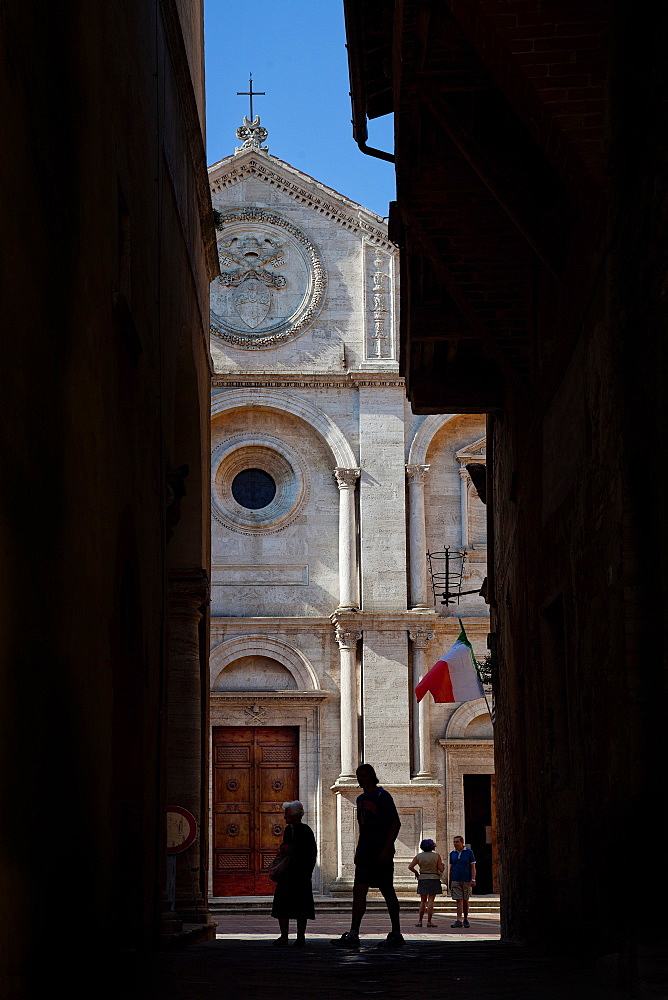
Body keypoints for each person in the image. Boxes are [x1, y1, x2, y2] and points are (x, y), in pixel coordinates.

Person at [331, 763, 404, 949]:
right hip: (365, 853)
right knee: (359, 891)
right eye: (358, 776)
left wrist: (387, 848)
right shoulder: (360, 799)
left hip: (381, 852)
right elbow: (362, 828)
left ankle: (396, 933)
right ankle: (353, 932)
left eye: (364, 776)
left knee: (387, 891)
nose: (361, 779)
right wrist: (358, 850)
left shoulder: (383, 796)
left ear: (372, 776)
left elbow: (395, 823)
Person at [271, 800, 317, 947]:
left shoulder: (290, 829)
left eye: (287, 814)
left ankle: (284, 937)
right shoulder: (308, 830)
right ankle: (300, 937)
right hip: (303, 874)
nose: (285, 817)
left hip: (289, 873)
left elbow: (286, 849)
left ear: (293, 815)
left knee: (282, 905)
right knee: (301, 906)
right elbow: (313, 851)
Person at [408, 838, 445, 927]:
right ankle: (429, 921)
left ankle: (420, 921)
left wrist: (417, 873)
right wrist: (443, 866)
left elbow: (410, 866)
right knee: (431, 900)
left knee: (423, 901)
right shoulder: (436, 856)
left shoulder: (419, 856)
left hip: (423, 878)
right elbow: (441, 869)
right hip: (434, 878)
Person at [448, 835, 476, 928]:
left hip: (466, 879)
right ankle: (458, 919)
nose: (455, 844)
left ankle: (466, 919)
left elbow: (473, 867)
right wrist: (450, 880)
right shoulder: (452, 854)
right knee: (458, 899)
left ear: (462, 842)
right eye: (454, 842)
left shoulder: (469, 852)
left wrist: (473, 879)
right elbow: (451, 868)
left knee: (465, 900)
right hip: (456, 879)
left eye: (457, 842)